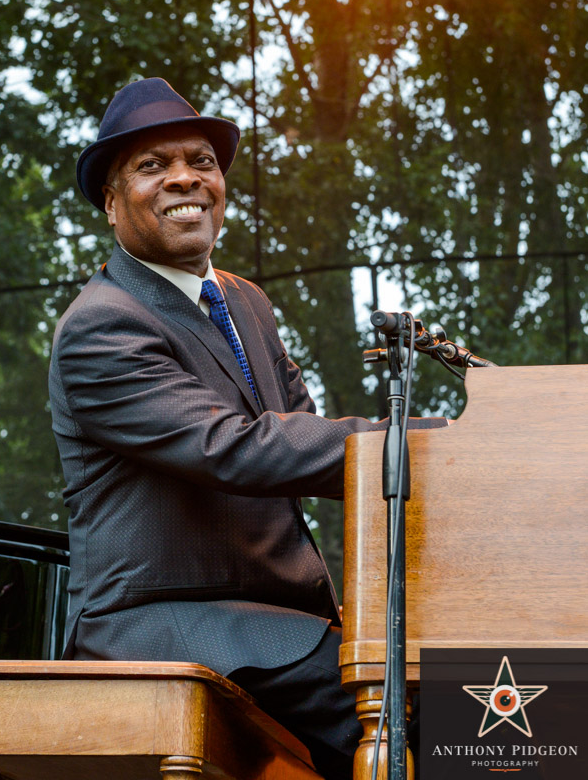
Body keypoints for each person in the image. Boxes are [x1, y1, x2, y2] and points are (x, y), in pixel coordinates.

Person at [49, 77, 445, 780]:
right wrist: (426, 443)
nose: (185, 178)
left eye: (201, 161)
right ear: (111, 204)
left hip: (281, 618)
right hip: (168, 620)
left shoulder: (244, 302)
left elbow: (302, 438)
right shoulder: (100, 325)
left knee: (483, 672)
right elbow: (233, 448)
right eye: (151, 166)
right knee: (434, 711)